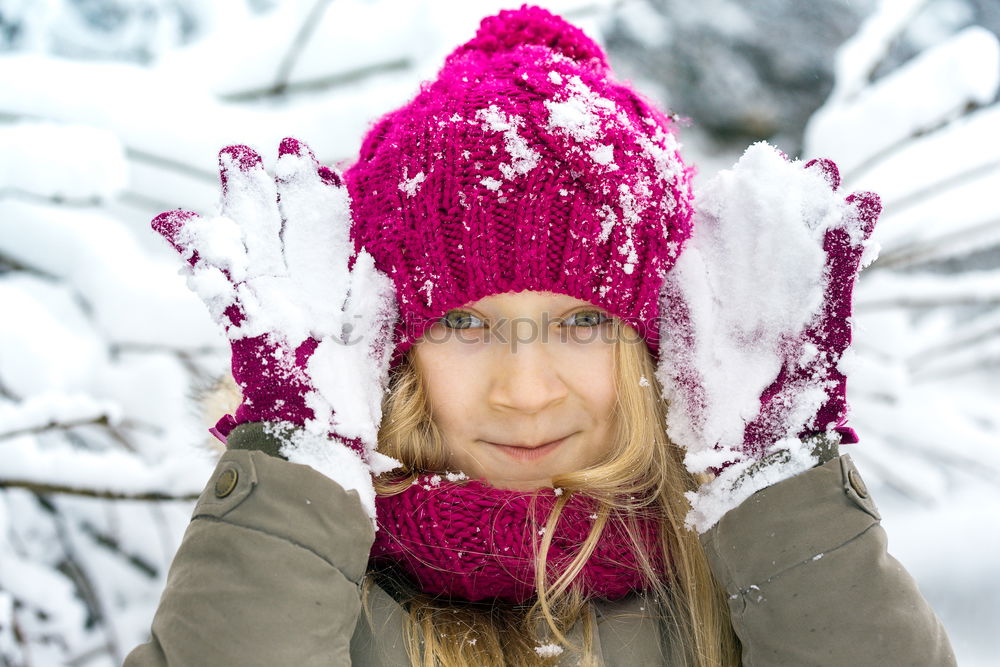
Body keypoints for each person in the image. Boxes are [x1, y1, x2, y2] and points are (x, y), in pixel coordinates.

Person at [126, 6, 955, 666]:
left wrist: (778, 491)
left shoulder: (750, 594)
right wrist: (295, 475)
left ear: (662, 344)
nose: (525, 390)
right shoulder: (295, 580)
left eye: (585, 322)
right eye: (462, 323)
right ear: (386, 349)